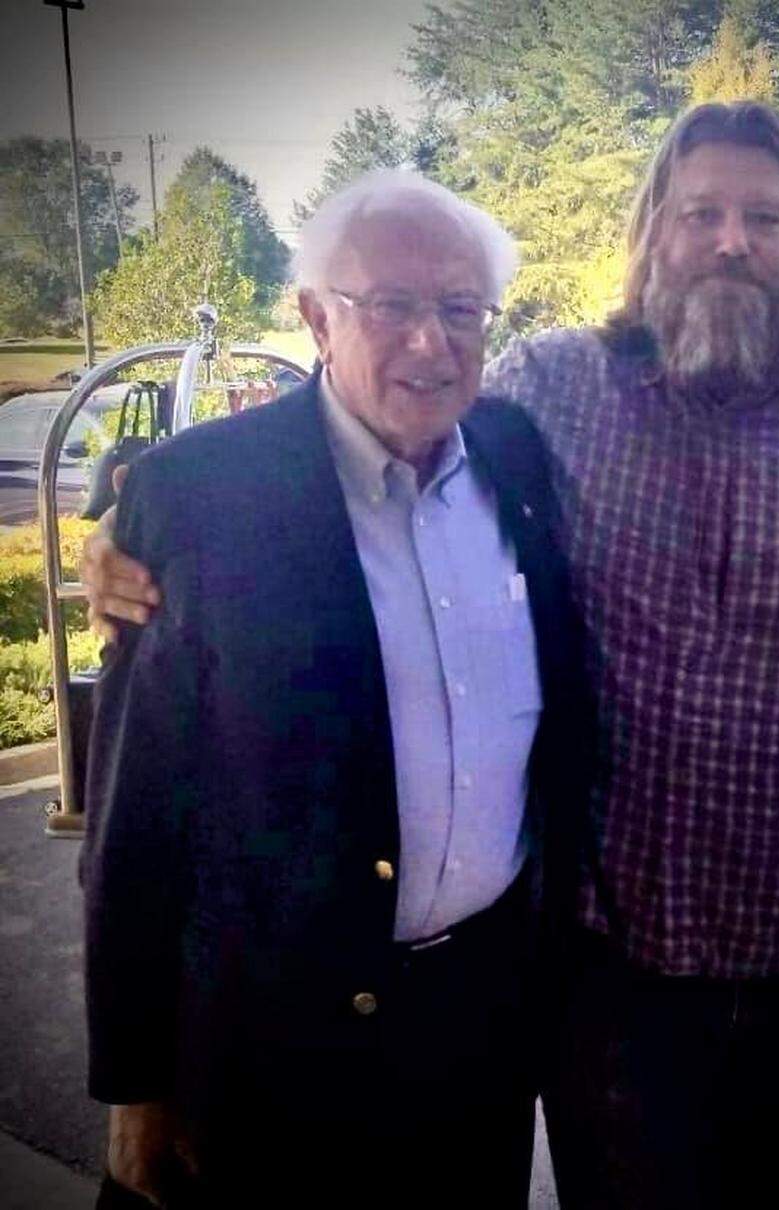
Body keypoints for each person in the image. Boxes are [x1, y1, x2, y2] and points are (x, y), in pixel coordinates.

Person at [83, 102, 779, 1209]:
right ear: (653, 236)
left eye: (766, 217)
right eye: (703, 213)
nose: (732, 239)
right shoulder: (553, 390)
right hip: (604, 971)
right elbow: (372, 406)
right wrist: (135, 525)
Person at [80, 171, 592, 1209]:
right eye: (391, 305)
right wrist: (134, 1085)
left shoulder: (518, 456)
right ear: (315, 315)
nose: (429, 343)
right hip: (274, 1046)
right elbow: (135, 815)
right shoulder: (199, 495)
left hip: (480, 1029)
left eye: (460, 310)